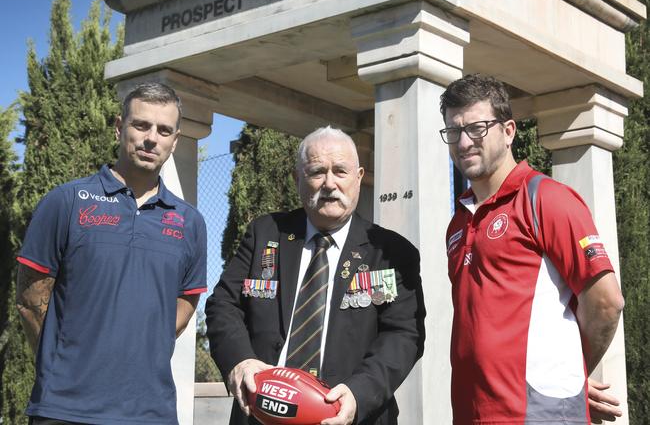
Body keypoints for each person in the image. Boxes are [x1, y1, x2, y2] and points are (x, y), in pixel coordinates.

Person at [206, 126, 426, 425]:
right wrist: (240, 361)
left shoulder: (390, 252)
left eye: (340, 171)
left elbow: (404, 334)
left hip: (350, 416)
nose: (330, 184)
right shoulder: (264, 234)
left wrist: (358, 394)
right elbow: (223, 305)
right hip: (263, 413)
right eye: (317, 172)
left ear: (359, 177)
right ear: (298, 179)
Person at [16, 82, 207, 425]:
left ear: (175, 141)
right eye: (141, 125)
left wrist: (141, 344)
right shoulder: (67, 201)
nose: (152, 138)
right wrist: (68, 361)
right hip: (64, 409)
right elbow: (30, 297)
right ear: (120, 127)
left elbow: (186, 301)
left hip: (151, 412)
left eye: (164, 130)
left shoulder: (190, 222)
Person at [439, 74, 625, 424]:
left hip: (539, 414)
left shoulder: (547, 199)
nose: (464, 142)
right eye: (453, 131)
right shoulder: (458, 223)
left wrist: (571, 372)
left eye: (477, 128)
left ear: (508, 131)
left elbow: (606, 301)